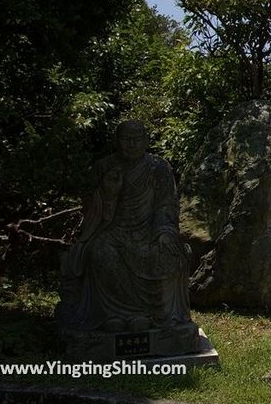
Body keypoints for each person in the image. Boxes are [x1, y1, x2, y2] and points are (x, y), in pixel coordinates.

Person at [58, 120, 192, 333]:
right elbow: (90, 209)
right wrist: (107, 194)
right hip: (112, 231)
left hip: (149, 232)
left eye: (137, 139)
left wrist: (164, 232)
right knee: (99, 253)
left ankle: (154, 316)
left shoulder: (159, 168)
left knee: (170, 255)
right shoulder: (104, 167)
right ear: (117, 141)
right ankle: (114, 314)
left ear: (146, 141)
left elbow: (166, 204)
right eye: (126, 139)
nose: (132, 144)